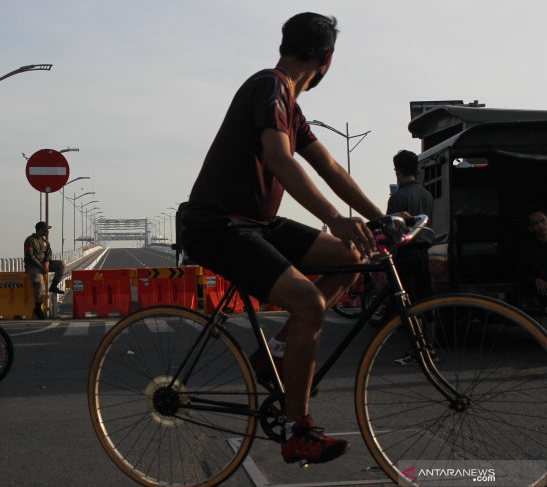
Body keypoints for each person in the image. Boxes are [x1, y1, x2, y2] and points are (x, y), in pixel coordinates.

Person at [180, 12, 384, 466]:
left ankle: (272, 353)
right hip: (218, 224)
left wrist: (379, 220)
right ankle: (299, 432)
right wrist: (334, 216)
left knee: (354, 256)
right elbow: (280, 159)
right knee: (310, 302)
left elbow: (329, 167)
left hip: (255, 222)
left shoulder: (290, 105)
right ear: (327, 58)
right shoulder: (269, 87)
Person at [385, 150, 435, 365]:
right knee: (427, 299)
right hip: (424, 251)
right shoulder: (427, 194)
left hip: (405, 252)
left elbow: (391, 230)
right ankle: (430, 348)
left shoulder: (398, 197)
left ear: (397, 170)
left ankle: (416, 350)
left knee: (409, 303)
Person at [24, 221, 65, 319]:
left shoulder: (45, 241)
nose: (47, 232)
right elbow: (30, 256)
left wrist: (47, 262)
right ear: (40, 230)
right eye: (46, 229)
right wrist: (41, 266)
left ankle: (54, 286)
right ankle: (37, 308)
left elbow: (49, 253)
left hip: (44, 265)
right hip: (32, 266)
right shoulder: (30, 240)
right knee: (39, 282)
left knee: (61, 264)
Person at [519, 208, 547, 313]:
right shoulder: (526, 249)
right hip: (542, 294)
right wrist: (535, 279)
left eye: (543, 221)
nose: (540, 225)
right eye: (536, 223)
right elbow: (521, 273)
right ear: (530, 228)